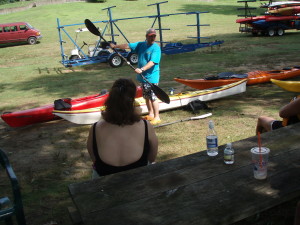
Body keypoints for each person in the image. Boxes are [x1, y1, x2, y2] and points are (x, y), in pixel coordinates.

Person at [87, 78, 158, 178]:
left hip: (104, 179)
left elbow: (93, 157)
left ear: (110, 100)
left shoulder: (95, 128)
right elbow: (152, 157)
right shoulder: (146, 126)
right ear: (132, 100)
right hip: (138, 178)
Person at [110, 28, 162, 125]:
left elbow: (152, 62)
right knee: (146, 97)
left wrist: (142, 69)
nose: (153, 38)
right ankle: (150, 114)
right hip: (142, 78)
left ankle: (157, 117)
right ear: (146, 36)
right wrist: (115, 46)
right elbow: (127, 46)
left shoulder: (156, 48)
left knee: (153, 97)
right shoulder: (141, 45)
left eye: (154, 36)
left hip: (151, 77)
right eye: (151, 36)